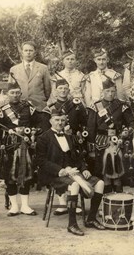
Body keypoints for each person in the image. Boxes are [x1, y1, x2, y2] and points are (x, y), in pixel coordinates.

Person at [35, 108, 105, 236]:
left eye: (62, 120)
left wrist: (84, 169)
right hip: (54, 175)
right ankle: (72, 224)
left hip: (74, 172)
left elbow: (79, 157)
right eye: (57, 120)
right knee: (75, 185)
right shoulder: (43, 138)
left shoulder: (70, 137)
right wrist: (60, 170)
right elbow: (41, 161)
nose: (60, 123)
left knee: (100, 183)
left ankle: (91, 219)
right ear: (51, 121)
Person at [43, 78, 89, 215]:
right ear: (55, 91)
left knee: (73, 166)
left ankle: (72, 201)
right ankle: (62, 203)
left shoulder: (76, 105)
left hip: (73, 140)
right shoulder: (50, 107)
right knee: (59, 165)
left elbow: (84, 122)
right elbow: (46, 127)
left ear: (69, 90)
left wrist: (79, 135)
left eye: (65, 88)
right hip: (55, 141)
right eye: (60, 88)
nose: (63, 91)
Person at [0, 82, 41, 217]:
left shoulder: (29, 107)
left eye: (17, 93)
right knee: (10, 176)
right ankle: (14, 206)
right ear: (7, 94)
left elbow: (38, 123)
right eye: (12, 93)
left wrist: (33, 132)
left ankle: (25, 206)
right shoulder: (3, 110)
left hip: (26, 145)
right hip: (9, 146)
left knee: (26, 175)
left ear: (20, 93)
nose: (15, 95)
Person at [86, 79, 134, 193]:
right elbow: (91, 128)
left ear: (116, 91)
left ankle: (118, 196)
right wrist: (91, 148)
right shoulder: (96, 106)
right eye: (107, 91)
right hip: (101, 141)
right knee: (104, 170)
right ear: (102, 91)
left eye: (113, 91)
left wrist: (127, 131)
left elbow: (131, 122)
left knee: (118, 169)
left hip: (118, 141)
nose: (110, 94)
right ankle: (107, 198)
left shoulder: (122, 106)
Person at [9, 41, 51, 130]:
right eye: (26, 50)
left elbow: (48, 89)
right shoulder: (14, 69)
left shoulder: (43, 68)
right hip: (21, 109)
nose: (28, 53)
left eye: (31, 50)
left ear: (35, 52)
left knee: (41, 135)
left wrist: (41, 101)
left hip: (39, 108)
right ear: (22, 52)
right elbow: (11, 90)